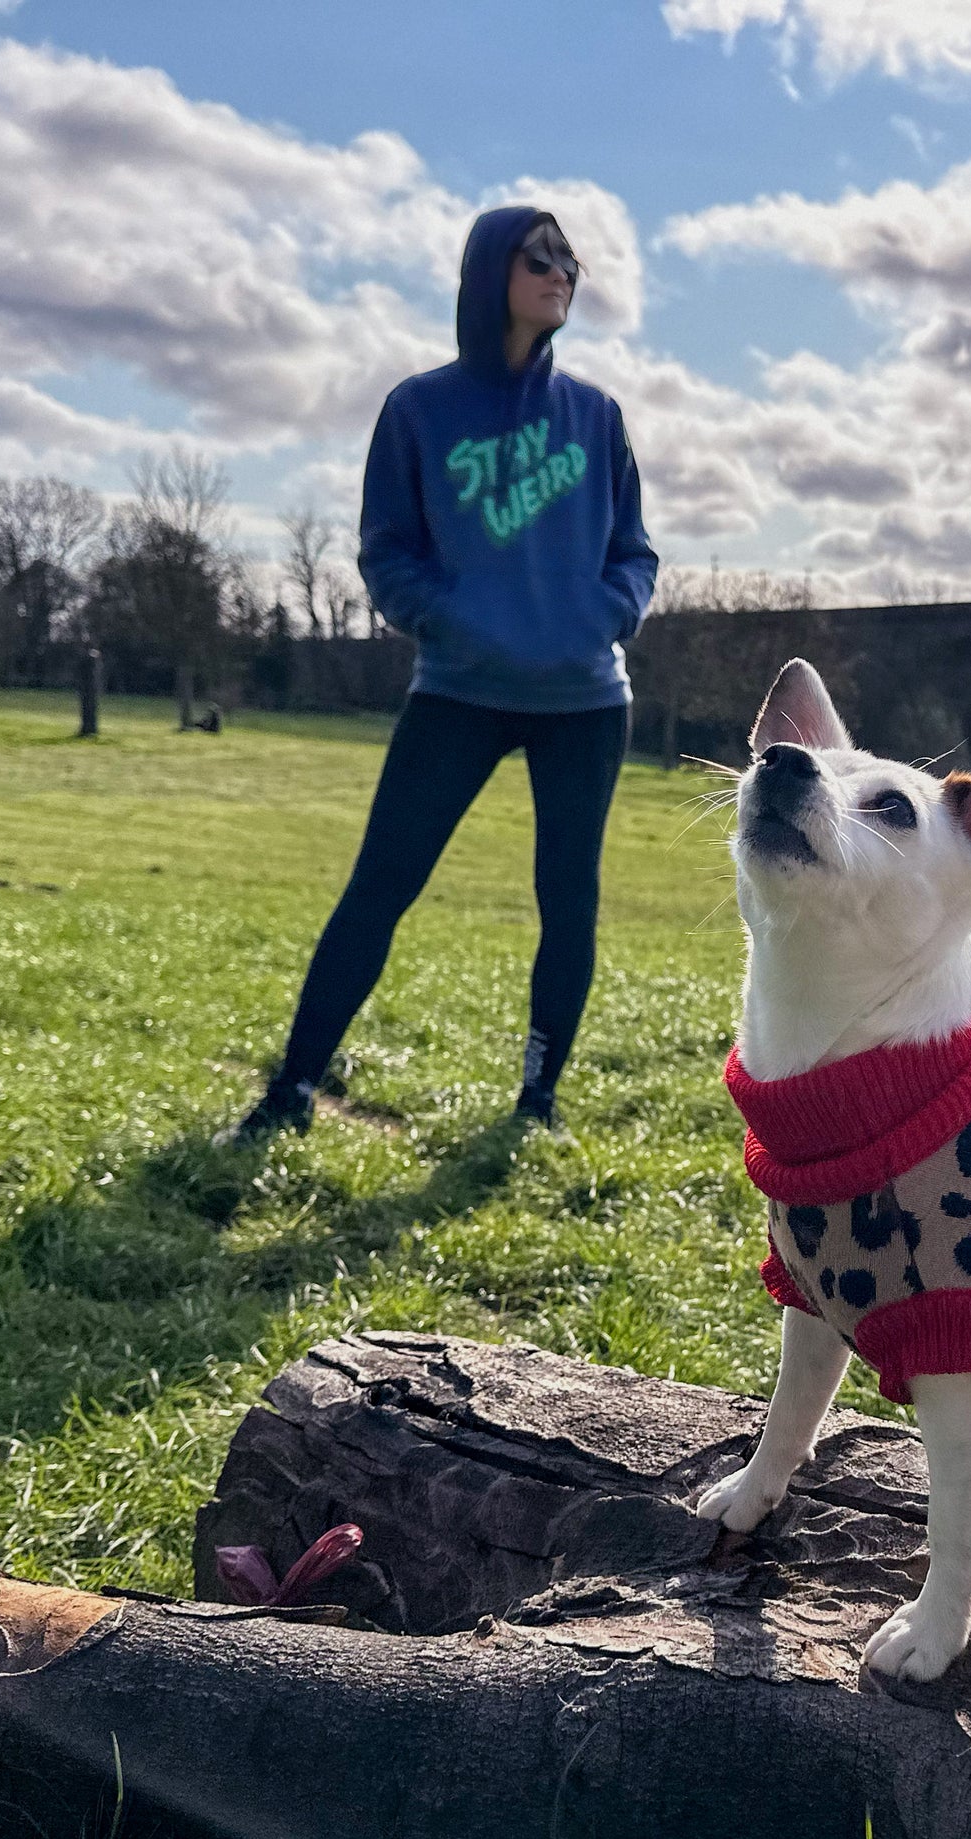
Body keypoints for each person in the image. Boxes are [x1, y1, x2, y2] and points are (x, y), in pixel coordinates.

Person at [232, 206, 658, 1144]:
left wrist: (598, 616)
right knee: (380, 885)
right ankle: (292, 1091)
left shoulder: (597, 416)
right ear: (487, 273)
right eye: (537, 257)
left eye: (569, 259)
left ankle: (536, 1107)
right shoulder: (419, 409)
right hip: (458, 689)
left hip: (584, 702)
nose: (561, 272)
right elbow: (388, 555)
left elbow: (635, 554)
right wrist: (459, 621)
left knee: (568, 899)